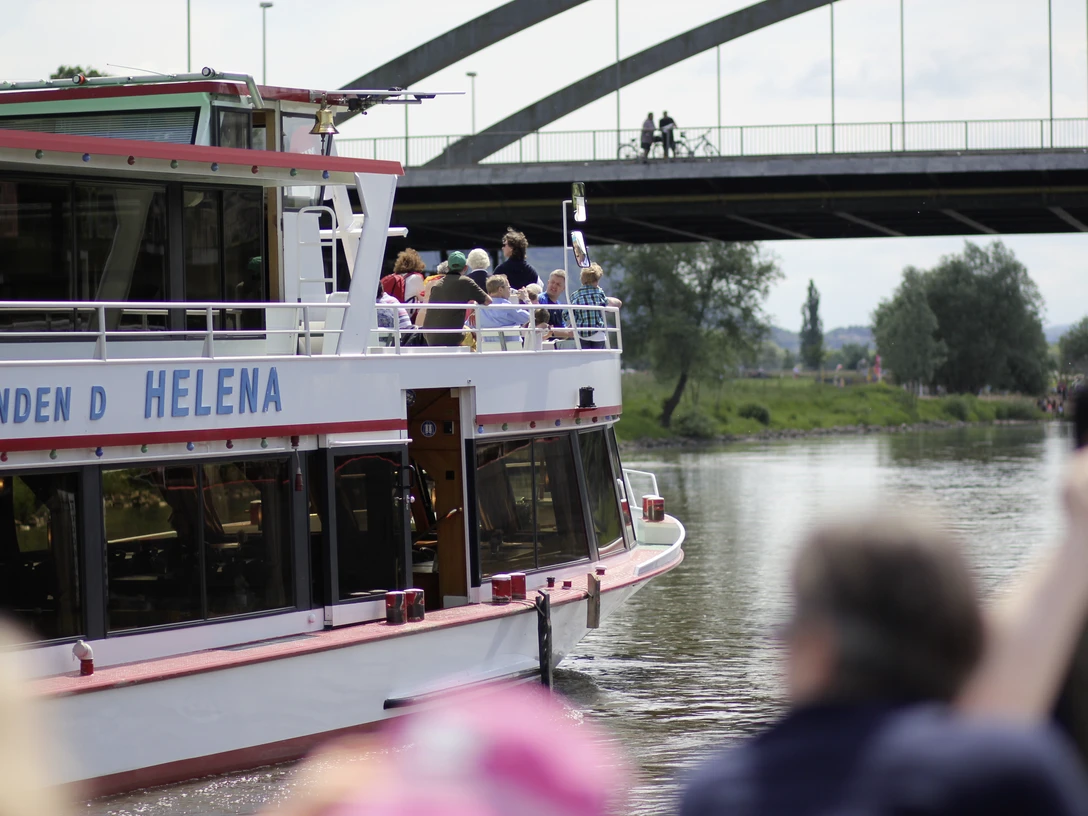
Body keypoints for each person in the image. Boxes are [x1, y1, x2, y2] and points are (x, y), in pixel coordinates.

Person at [681, 451, 1088, 816]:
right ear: (961, 640)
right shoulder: (1012, 773)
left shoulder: (717, 792)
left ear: (817, 647)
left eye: (789, 629)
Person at [420, 251, 490, 347]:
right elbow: (488, 301)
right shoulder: (466, 282)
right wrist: (474, 304)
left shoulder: (437, 284)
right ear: (465, 268)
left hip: (429, 336)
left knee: (466, 329)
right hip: (451, 337)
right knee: (474, 335)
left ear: (448, 267)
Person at [570, 263, 620, 350]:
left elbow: (568, 314)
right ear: (596, 280)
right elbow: (605, 302)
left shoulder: (575, 295)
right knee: (598, 356)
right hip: (598, 334)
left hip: (582, 333)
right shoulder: (599, 293)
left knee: (584, 357)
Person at [538, 270, 573, 340]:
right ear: (548, 283)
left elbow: (562, 327)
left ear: (563, 288)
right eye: (552, 282)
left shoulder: (559, 306)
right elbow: (542, 328)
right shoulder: (541, 299)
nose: (554, 286)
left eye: (558, 284)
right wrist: (568, 334)